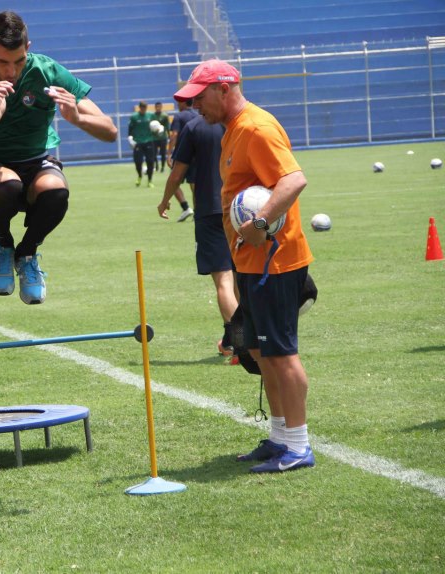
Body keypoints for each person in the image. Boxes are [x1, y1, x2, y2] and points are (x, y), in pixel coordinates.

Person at [175, 59, 315, 473]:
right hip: (250, 260)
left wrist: (258, 222)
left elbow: (293, 181)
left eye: (198, 96)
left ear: (223, 88)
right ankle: (279, 437)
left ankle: (299, 445)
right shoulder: (231, 130)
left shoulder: (256, 128)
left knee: (282, 353)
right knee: (259, 350)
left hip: (275, 260)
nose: (194, 105)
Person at [0, 10, 117, 305]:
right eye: (3, 62)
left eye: (19, 61)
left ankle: (27, 253)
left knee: (57, 192)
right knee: (6, 186)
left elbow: (110, 131)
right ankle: (2, 243)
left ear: (29, 48)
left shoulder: (48, 72)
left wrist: (76, 118)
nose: (12, 71)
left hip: (34, 161)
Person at [157, 113, 237, 359]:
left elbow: (177, 172)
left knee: (223, 280)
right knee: (240, 277)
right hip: (242, 207)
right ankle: (240, 340)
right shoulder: (238, 121)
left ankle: (240, 343)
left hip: (210, 209)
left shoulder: (193, 128)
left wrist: (165, 200)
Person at [128, 101, 156, 188]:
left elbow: (155, 127)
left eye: (145, 108)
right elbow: (130, 129)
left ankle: (150, 181)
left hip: (149, 141)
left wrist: (156, 131)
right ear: (140, 108)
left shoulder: (151, 115)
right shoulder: (134, 117)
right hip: (138, 142)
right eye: (142, 108)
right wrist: (130, 139)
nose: (144, 109)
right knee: (138, 162)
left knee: (150, 161)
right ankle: (140, 176)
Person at [152, 101, 170, 172]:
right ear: (155, 107)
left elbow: (167, 126)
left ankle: (162, 167)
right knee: (154, 153)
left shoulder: (164, 116)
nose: (158, 108)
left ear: (161, 107)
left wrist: (168, 135)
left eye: (159, 106)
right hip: (155, 138)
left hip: (163, 137)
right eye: (157, 107)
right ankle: (156, 165)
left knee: (163, 153)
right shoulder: (153, 116)